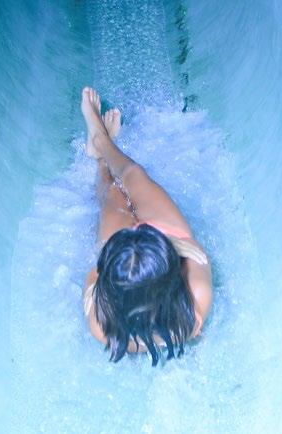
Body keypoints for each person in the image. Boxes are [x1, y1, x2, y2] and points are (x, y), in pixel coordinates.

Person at [81, 87, 212, 366]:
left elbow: (95, 272)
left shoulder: (101, 324)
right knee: (134, 175)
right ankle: (102, 143)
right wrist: (172, 245)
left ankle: (100, 153)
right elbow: (197, 254)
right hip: (166, 240)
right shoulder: (195, 300)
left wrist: (109, 264)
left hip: (139, 255)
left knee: (112, 195)